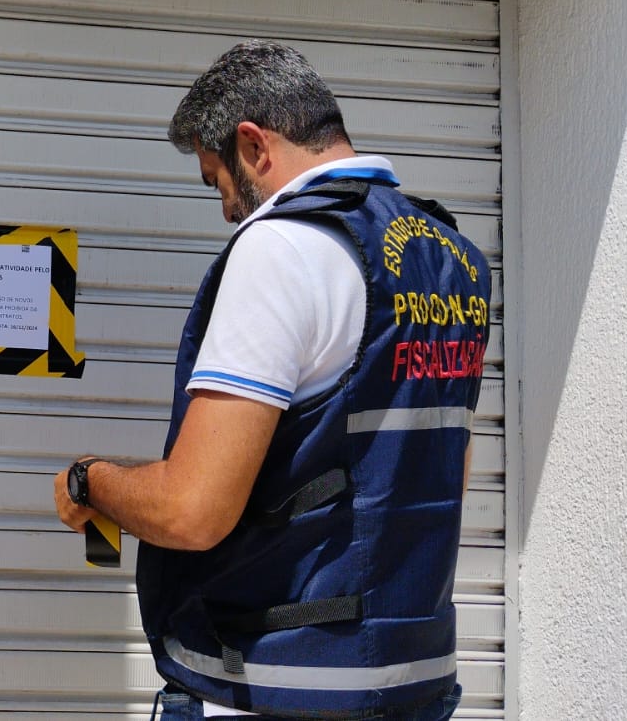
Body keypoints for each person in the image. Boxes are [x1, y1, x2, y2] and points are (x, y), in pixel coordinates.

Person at [53, 41, 488, 721]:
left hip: (273, 685)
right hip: (413, 685)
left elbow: (191, 511)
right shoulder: (450, 256)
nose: (226, 208)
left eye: (215, 180)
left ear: (253, 145)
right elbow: (436, 472)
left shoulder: (281, 247)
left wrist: (92, 480)